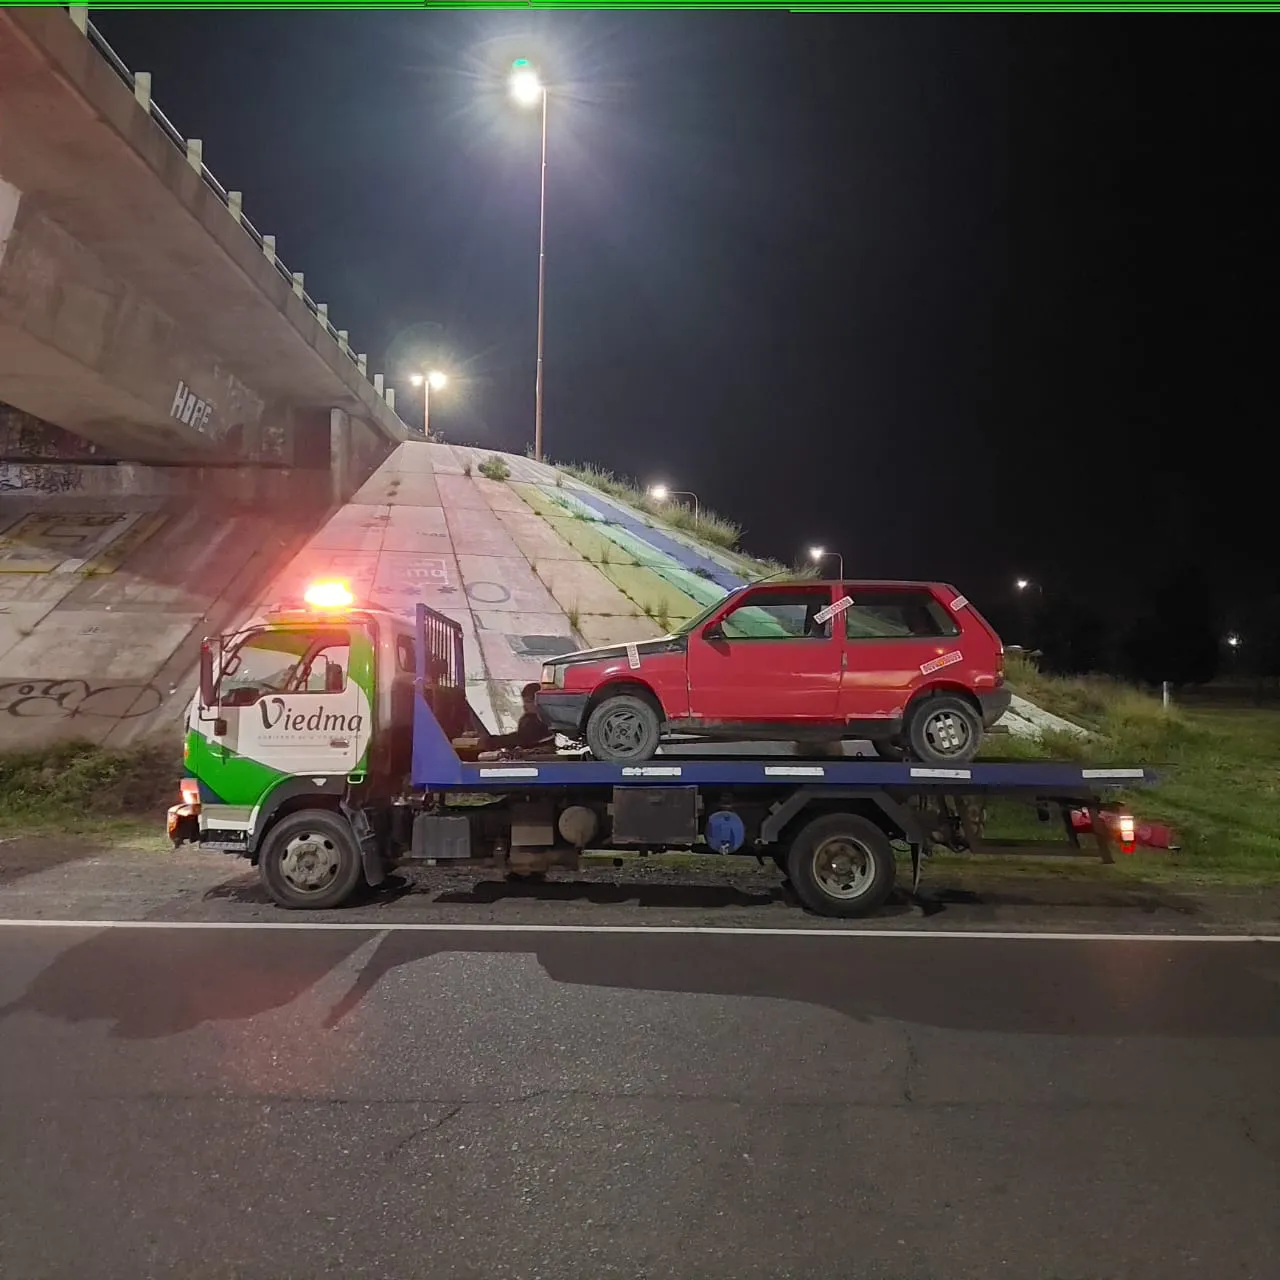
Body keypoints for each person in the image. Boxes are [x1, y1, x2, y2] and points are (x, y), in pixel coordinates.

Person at [485, 682, 555, 752]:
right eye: (524, 702)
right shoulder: (529, 718)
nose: (524, 706)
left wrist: (493, 742)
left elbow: (522, 738)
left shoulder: (542, 721)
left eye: (528, 702)